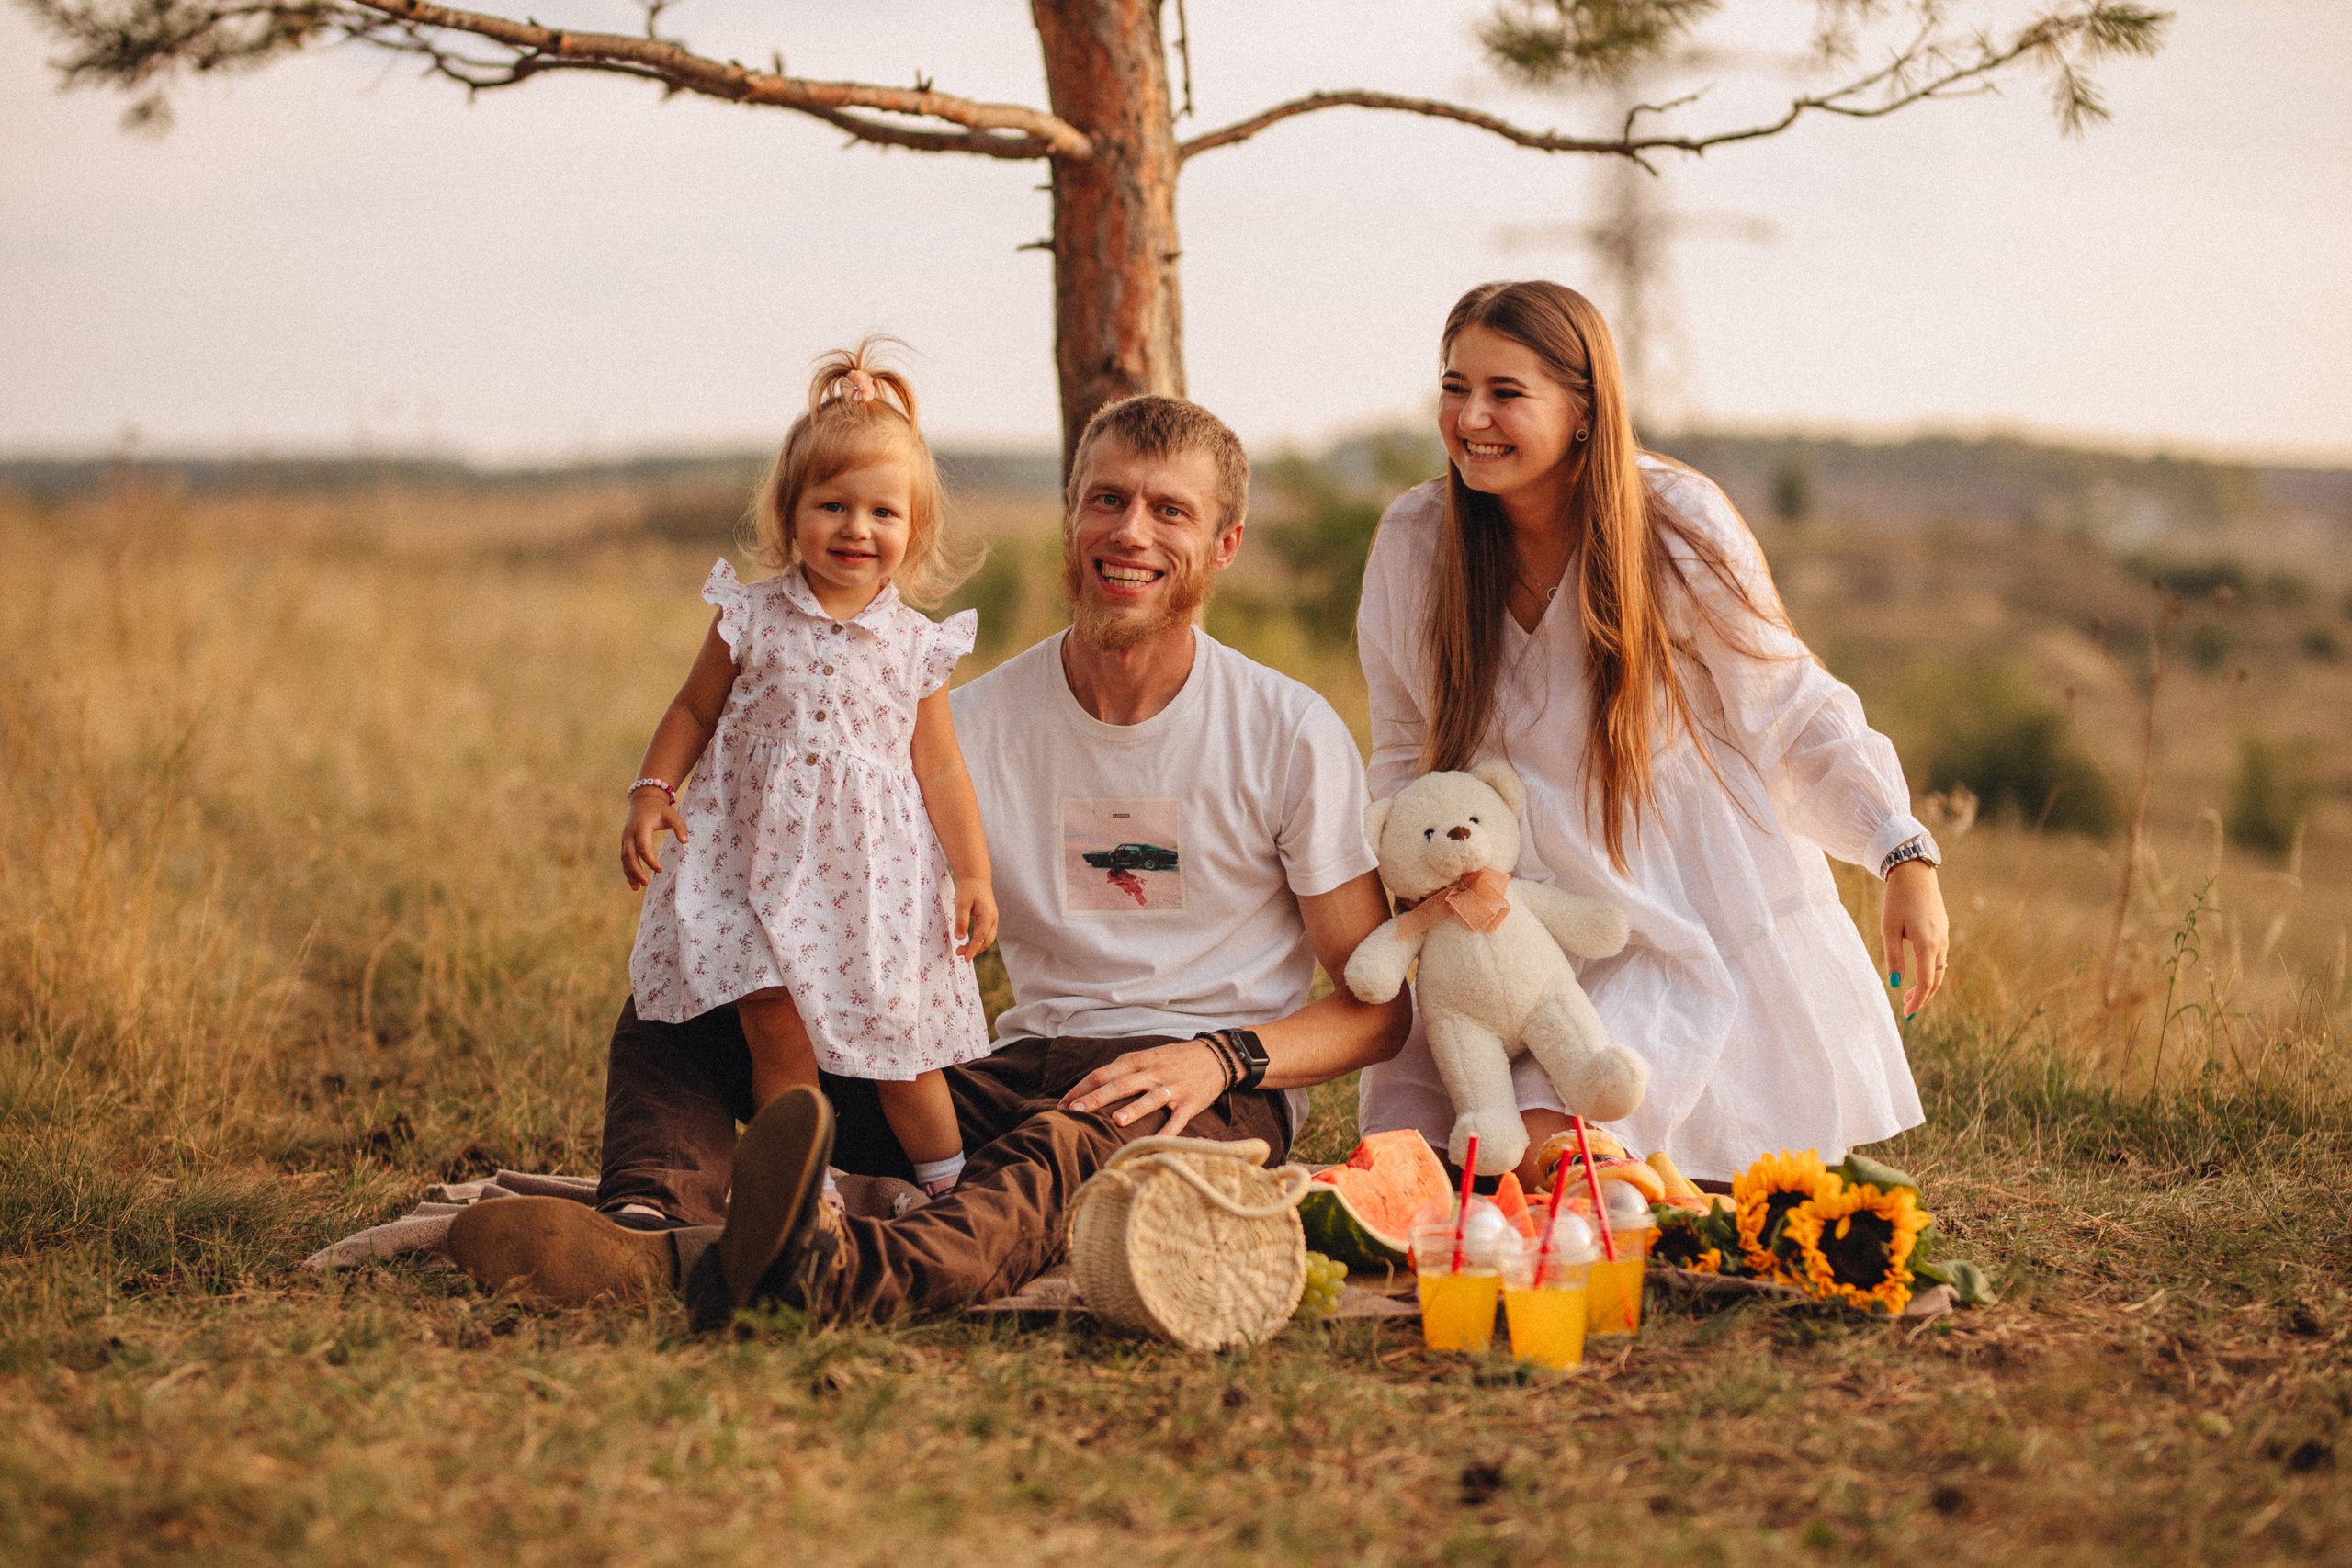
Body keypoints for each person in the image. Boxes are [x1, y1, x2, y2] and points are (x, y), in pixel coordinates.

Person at [447, 394, 1411, 1323]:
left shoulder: (1285, 729)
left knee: (1054, 1156)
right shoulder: (970, 721)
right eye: (1107, 500)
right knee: (692, 992)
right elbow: (832, 878)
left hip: (1200, 1092)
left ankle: (831, 1275)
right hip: (1009, 1063)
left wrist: (1222, 1057)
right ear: (1069, 515)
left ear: (1224, 546)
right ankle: (651, 1226)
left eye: (1171, 512)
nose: (1130, 533)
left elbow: (1375, 1014)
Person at [1353, 280, 1951, 1191]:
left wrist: (1900, 851)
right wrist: (1413, 893)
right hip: (1509, 909)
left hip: (1671, 901)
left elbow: (1785, 707)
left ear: (1584, 412)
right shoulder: (1416, 537)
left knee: (1570, 1161)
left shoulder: (1671, 522)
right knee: (1455, 1173)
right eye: (1454, 386)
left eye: (1506, 393)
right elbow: (1401, 746)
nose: (1470, 417)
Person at [620, 343, 995, 1202]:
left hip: (872, 886)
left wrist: (971, 872)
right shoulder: (748, 617)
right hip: (750, 868)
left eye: (882, 512)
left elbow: (938, 767)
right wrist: (652, 790)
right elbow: (691, 712)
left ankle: (953, 1190)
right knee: (775, 1029)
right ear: (791, 513)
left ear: (914, 528)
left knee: (903, 1050)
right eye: (832, 505)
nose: (857, 529)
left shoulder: (914, 646)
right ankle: (803, 1190)